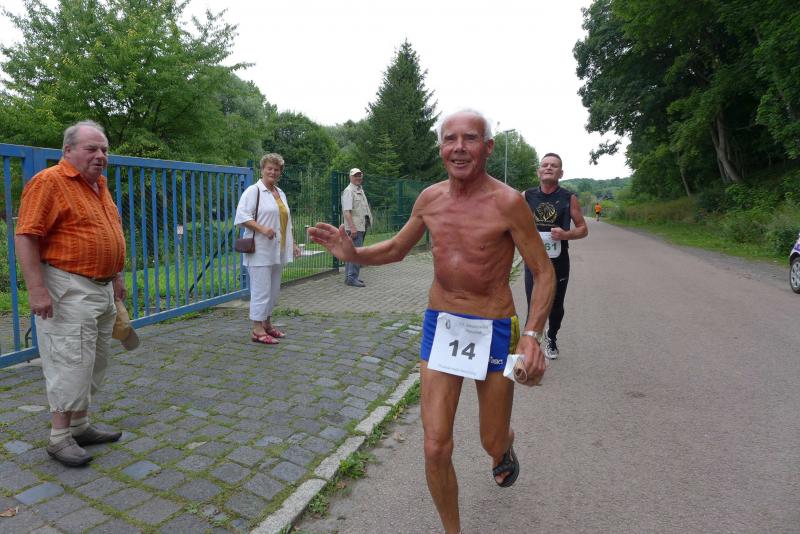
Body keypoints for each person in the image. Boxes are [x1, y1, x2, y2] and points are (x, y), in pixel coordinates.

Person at [310, 109, 555, 534]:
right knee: (435, 446)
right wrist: (354, 254)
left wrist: (532, 335)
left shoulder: (508, 203)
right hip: (442, 325)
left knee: (491, 439)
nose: (458, 148)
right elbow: (397, 249)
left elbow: (543, 270)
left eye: (469, 139)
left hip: (494, 327)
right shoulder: (430, 199)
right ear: (441, 147)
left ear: (488, 147)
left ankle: (504, 447)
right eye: (449, 139)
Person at [15, 120, 127, 467]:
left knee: (94, 361)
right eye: (91, 148)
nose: (100, 155)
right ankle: (59, 438)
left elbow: (109, 232)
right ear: (68, 150)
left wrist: (117, 276)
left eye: (104, 149)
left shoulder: (99, 186)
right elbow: (26, 236)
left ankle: (80, 426)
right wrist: (37, 290)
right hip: (67, 287)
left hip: (100, 287)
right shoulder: (49, 182)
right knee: (70, 361)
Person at [523, 153, 588, 359]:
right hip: (534, 260)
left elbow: (583, 229)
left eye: (554, 165)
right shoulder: (526, 196)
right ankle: (530, 345)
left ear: (561, 173)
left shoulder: (569, 198)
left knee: (556, 305)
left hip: (558, 260)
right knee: (533, 303)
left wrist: (566, 234)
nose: (549, 167)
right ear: (538, 171)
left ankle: (551, 337)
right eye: (545, 165)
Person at [235, 153, 301, 344]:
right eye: (269, 168)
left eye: (277, 169)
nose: (273, 172)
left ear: (280, 172)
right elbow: (241, 217)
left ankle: (267, 324)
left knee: (273, 291)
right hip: (259, 250)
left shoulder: (280, 193)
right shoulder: (253, 191)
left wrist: (293, 243)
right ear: (262, 169)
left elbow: (286, 222)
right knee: (261, 291)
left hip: (278, 250)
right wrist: (262, 229)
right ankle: (257, 329)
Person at [340, 167, 373, 287]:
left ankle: (350, 277)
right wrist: (352, 228)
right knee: (356, 253)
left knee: (352, 253)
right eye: (355, 175)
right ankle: (352, 278)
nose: (358, 177)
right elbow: (346, 211)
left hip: (361, 226)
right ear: (350, 177)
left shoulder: (359, 189)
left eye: (359, 175)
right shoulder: (349, 191)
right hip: (354, 228)